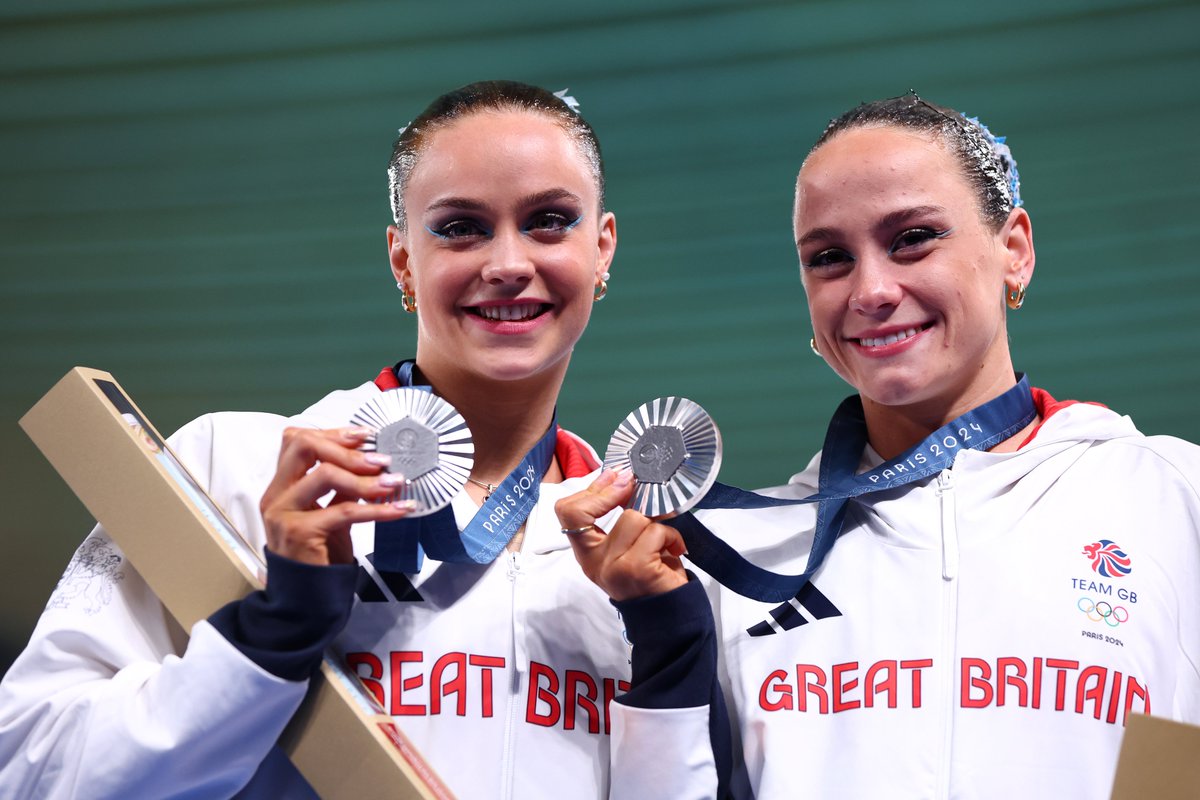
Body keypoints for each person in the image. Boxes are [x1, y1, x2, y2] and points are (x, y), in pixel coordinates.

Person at [0, 80, 633, 799]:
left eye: (549, 220)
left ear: (602, 247)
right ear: (402, 260)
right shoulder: (228, 467)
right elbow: (28, 765)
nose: (509, 263)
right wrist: (266, 637)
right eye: (460, 227)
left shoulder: (646, 544)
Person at [556, 94, 1200, 798]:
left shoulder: (1172, 498)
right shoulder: (735, 563)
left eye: (913, 238)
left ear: (1013, 250)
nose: (871, 290)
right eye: (830, 258)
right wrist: (663, 635)